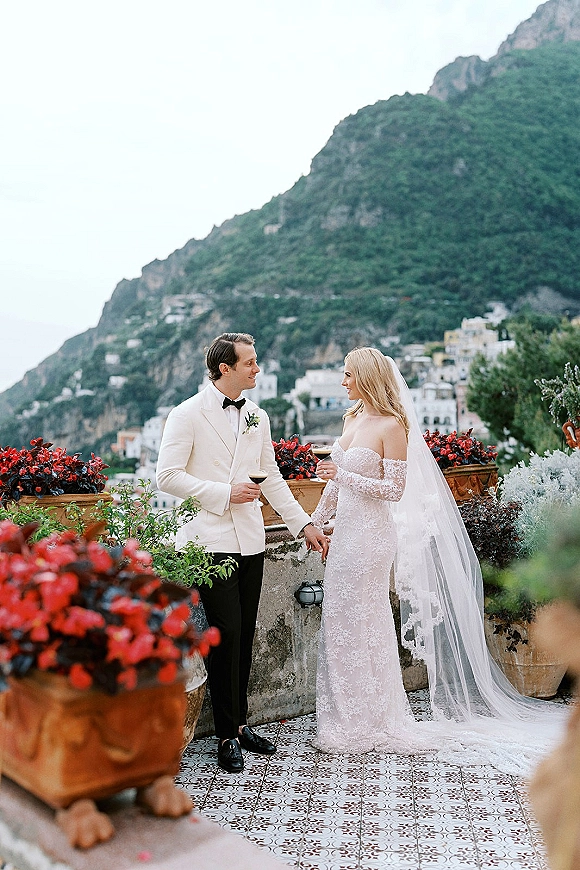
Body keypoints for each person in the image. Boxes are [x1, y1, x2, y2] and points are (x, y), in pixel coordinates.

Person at [310, 347, 566, 775]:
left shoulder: (393, 425)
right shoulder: (352, 420)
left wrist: (342, 474)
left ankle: (375, 720)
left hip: (372, 540)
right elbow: (334, 490)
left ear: (368, 376)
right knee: (340, 621)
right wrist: (315, 524)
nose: (343, 382)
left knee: (367, 620)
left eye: (349, 374)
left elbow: (393, 489)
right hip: (347, 535)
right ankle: (346, 717)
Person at [156, 333, 328, 773]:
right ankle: (226, 737)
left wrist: (302, 523)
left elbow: (270, 475)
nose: (257, 369)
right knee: (226, 635)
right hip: (207, 541)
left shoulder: (257, 416)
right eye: (249, 363)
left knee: (245, 634)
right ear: (224, 369)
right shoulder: (186, 414)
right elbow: (167, 477)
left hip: (250, 540)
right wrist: (223, 493)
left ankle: (241, 723)